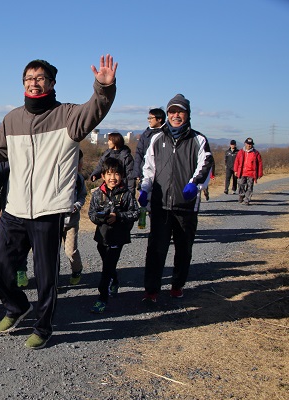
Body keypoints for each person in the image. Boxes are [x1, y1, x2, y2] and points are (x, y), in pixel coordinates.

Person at [0, 55, 117, 349]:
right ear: (23, 83)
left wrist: (103, 87)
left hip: (50, 207)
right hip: (16, 207)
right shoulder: (13, 118)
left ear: (52, 83)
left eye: (40, 78)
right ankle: (16, 306)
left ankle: (43, 327)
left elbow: (96, 109)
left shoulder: (68, 115)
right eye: (28, 78)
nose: (34, 83)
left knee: (46, 274)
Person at [138, 94, 214, 304]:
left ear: (187, 114)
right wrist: (145, 189)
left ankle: (177, 285)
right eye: (172, 112)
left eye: (180, 111)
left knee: (183, 248)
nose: (175, 115)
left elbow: (205, 167)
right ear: (168, 114)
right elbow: (149, 168)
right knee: (156, 249)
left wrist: (195, 185)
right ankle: (151, 290)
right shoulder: (157, 138)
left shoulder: (198, 140)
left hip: (186, 206)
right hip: (160, 205)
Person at [88, 157, 138, 313]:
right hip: (102, 237)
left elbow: (135, 213)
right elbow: (91, 213)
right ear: (103, 176)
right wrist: (99, 217)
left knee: (107, 267)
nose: (112, 178)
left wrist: (119, 216)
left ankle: (102, 297)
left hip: (118, 237)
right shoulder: (98, 194)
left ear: (121, 175)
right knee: (108, 264)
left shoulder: (126, 194)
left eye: (116, 174)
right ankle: (115, 280)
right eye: (109, 174)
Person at [0, 161, 30, 287]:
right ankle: (16, 272)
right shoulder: (5, 161)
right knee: (11, 245)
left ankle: (25, 272)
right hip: (10, 210)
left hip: (34, 209)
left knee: (27, 244)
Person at [63, 150, 88, 285]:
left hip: (71, 221)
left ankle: (76, 270)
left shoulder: (79, 179)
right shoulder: (57, 176)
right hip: (55, 221)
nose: (80, 165)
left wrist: (77, 205)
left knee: (70, 251)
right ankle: (52, 277)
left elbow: (82, 195)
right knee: (51, 254)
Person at [133, 108, 166, 185]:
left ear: (159, 119)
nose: (149, 120)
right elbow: (139, 153)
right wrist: (137, 171)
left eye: (151, 118)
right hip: (145, 173)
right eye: (148, 118)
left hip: (161, 174)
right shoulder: (146, 134)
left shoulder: (166, 134)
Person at [233, 137, 263, 206]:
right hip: (242, 172)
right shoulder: (241, 152)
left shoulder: (256, 153)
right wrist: (235, 170)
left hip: (251, 172)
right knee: (240, 184)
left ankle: (247, 199)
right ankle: (241, 195)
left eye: (251, 144)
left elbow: (260, 163)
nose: (249, 145)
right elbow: (236, 161)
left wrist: (260, 173)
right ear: (245, 143)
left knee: (250, 186)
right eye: (248, 144)